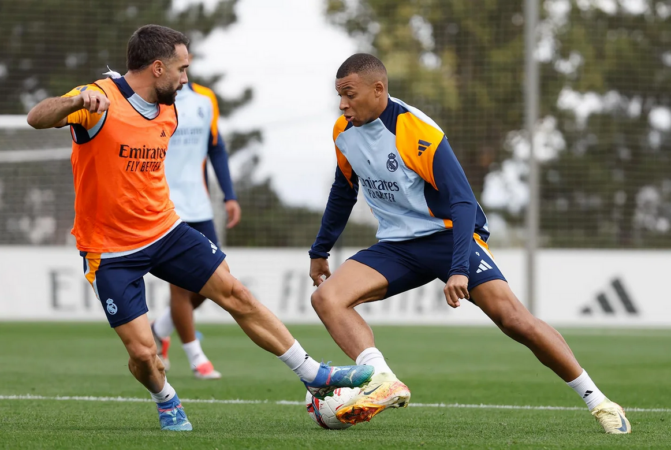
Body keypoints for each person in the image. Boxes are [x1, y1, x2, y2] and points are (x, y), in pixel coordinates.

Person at [26, 25, 374, 432]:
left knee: (236, 293)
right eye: (182, 68)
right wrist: (73, 102)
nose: (186, 78)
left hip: (166, 230)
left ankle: (313, 375)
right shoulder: (98, 98)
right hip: (110, 250)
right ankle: (165, 397)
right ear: (158, 68)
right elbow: (36, 117)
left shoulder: (170, 108)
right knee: (143, 354)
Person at [308, 53, 631, 434]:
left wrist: (459, 267)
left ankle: (600, 402)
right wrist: (320, 250)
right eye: (339, 96)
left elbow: (461, 201)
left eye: (350, 94)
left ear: (378, 89)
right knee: (326, 298)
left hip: (449, 237)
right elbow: (343, 191)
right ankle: (381, 378)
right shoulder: (343, 132)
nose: (343, 104)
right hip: (397, 245)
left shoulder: (418, 131)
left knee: (515, 320)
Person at [151, 57, 241, 380]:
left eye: (185, 67)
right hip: (166, 206)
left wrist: (229, 195)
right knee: (181, 286)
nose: (183, 74)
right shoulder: (153, 102)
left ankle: (160, 328)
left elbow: (215, 147)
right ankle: (196, 358)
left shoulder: (206, 99)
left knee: (213, 281)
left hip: (200, 205)